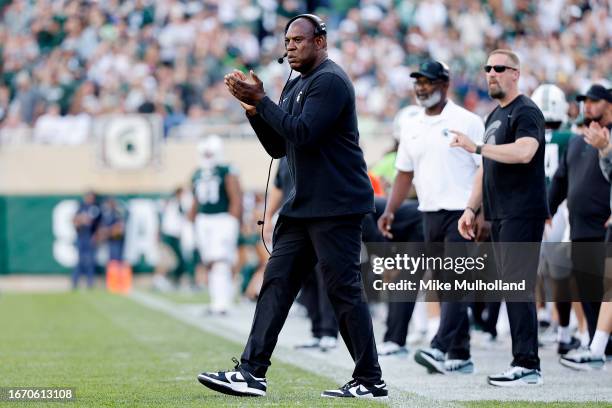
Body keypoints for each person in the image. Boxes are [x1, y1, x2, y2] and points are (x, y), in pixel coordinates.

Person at [198, 14, 387, 399]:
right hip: (304, 205)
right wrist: (253, 110)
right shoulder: (295, 83)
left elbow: (304, 131)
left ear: (320, 41)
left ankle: (370, 378)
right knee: (276, 282)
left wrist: (262, 100)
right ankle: (252, 372)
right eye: (287, 42)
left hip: (336, 203)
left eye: (298, 40)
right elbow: (279, 146)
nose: (290, 47)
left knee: (342, 289)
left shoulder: (330, 81)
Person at [377, 60, 485, 372]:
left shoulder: (467, 120)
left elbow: (485, 170)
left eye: (428, 82)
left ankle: (439, 348)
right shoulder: (412, 124)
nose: (421, 87)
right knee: (444, 284)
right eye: (418, 82)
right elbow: (403, 174)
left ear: (444, 84)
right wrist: (390, 210)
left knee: (455, 283)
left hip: (461, 213)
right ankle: (460, 355)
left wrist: (480, 212)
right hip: (429, 214)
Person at [451, 49, 548, 386]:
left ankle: (527, 363)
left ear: (516, 74)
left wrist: (476, 148)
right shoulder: (495, 115)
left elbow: (525, 151)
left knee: (517, 285)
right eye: (487, 68)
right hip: (499, 213)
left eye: (499, 68)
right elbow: (485, 169)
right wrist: (470, 208)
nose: (491, 73)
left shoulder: (526, 111)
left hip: (523, 211)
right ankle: (524, 360)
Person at [547, 83, 611, 352]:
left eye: (594, 101)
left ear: (609, 105)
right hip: (580, 228)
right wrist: (545, 211)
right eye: (585, 101)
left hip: (605, 226)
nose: (587, 105)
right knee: (587, 288)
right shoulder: (575, 141)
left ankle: (600, 342)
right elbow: (560, 182)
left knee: (608, 287)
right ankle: (598, 345)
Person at [190, 134, 242, 314]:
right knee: (210, 262)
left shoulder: (226, 170)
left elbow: (236, 197)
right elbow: (196, 200)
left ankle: (223, 302)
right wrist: (189, 223)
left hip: (222, 218)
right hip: (203, 220)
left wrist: (232, 221)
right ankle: (216, 301)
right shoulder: (197, 172)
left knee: (221, 261)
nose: (207, 156)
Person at [72, 191, 101, 289]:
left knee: (91, 261)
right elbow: (75, 220)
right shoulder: (81, 207)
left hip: (90, 237)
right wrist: (81, 219)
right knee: (80, 261)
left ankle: (90, 283)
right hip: (81, 236)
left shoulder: (96, 208)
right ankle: (75, 282)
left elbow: (96, 222)